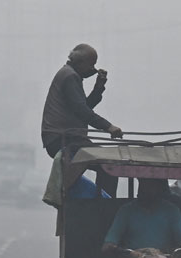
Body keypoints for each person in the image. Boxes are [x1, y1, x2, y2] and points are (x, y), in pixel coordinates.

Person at [41, 43, 122, 196]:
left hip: (65, 138)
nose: (93, 68)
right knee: (109, 165)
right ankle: (105, 208)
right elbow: (82, 111)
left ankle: (100, 202)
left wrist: (98, 87)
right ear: (80, 62)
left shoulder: (70, 74)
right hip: (63, 139)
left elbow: (84, 106)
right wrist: (108, 127)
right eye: (91, 64)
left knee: (104, 163)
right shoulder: (70, 76)